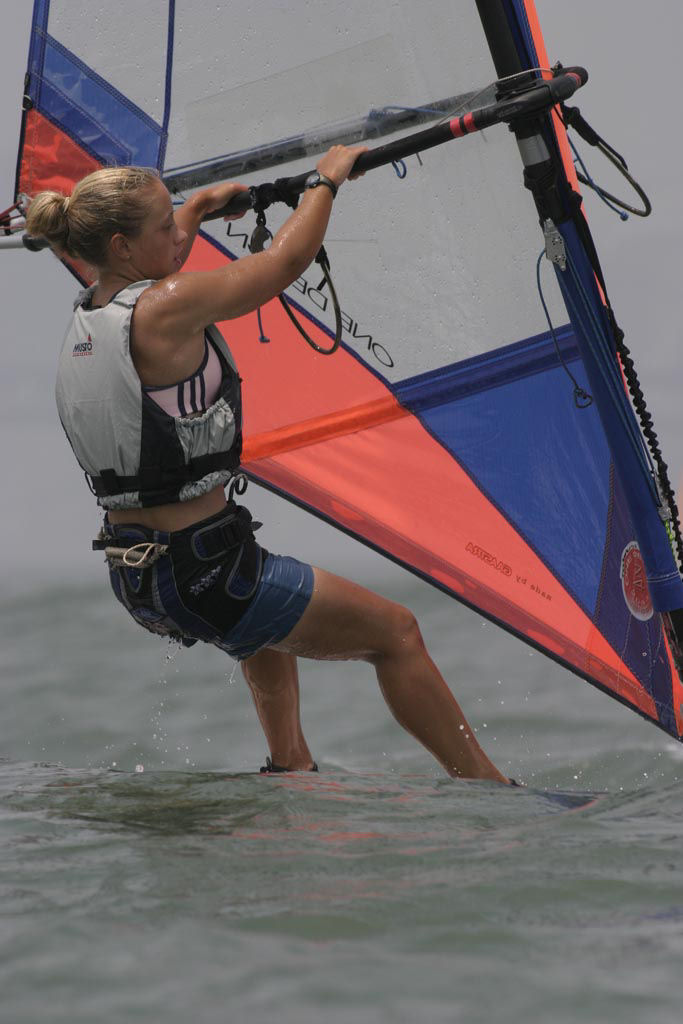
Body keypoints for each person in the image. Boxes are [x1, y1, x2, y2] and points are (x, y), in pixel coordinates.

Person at [26, 146, 509, 784]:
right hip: (204, 570)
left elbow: (156, 270)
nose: (179, 237)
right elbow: (284, 263)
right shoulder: (168, 310)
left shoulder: (93, 313)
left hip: (139, 574)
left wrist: (194, 208)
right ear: (120, 246)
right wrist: (324, 181)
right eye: (166, 227)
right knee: (396, 633)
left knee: (268, 626)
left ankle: (291, 766)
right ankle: (488, 788)